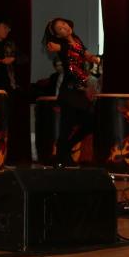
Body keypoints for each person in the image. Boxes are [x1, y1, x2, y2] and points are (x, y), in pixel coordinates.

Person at [43, 17, 100, 168]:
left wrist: (94, 58)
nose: (65, 27)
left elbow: (85, 53)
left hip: (79, 91)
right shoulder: (61, 44)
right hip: (69, 91)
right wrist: (53, 45)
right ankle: (61, 158)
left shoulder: (77, 39)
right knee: (66, 127)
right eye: (60, 28)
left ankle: (64, 151)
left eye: (64, 24)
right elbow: (58, 47)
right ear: (58, 35)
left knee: (90, 123)